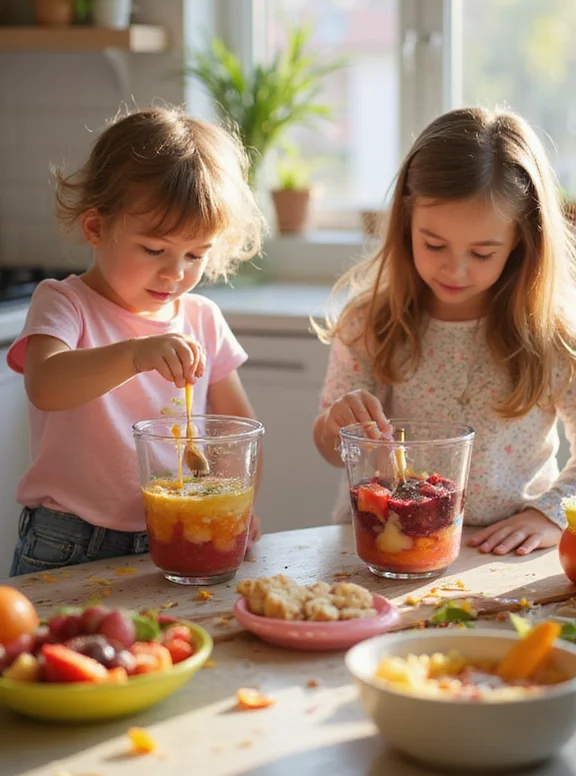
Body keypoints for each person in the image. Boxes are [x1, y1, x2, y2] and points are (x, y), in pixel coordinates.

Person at [8, 106, 266, 576]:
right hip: (70, 538)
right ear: (95, 227)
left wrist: (236, 509)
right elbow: (45, 384)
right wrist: (135, 355)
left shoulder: (202, 318)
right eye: (154, 250)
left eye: (195, 254)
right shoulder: (65, 304)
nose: (175, 272)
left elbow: (241, 432)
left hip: (179, 528)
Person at [313, 106, 576, 556]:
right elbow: (333, 449)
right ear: (405, 225)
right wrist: (338, 424)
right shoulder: (370, 324)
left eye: (482, 252)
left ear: (520, 243)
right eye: (433, 244)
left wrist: (549, 513)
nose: (455, 269)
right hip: (384, 544)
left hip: (499, 556)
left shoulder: (552, 338)